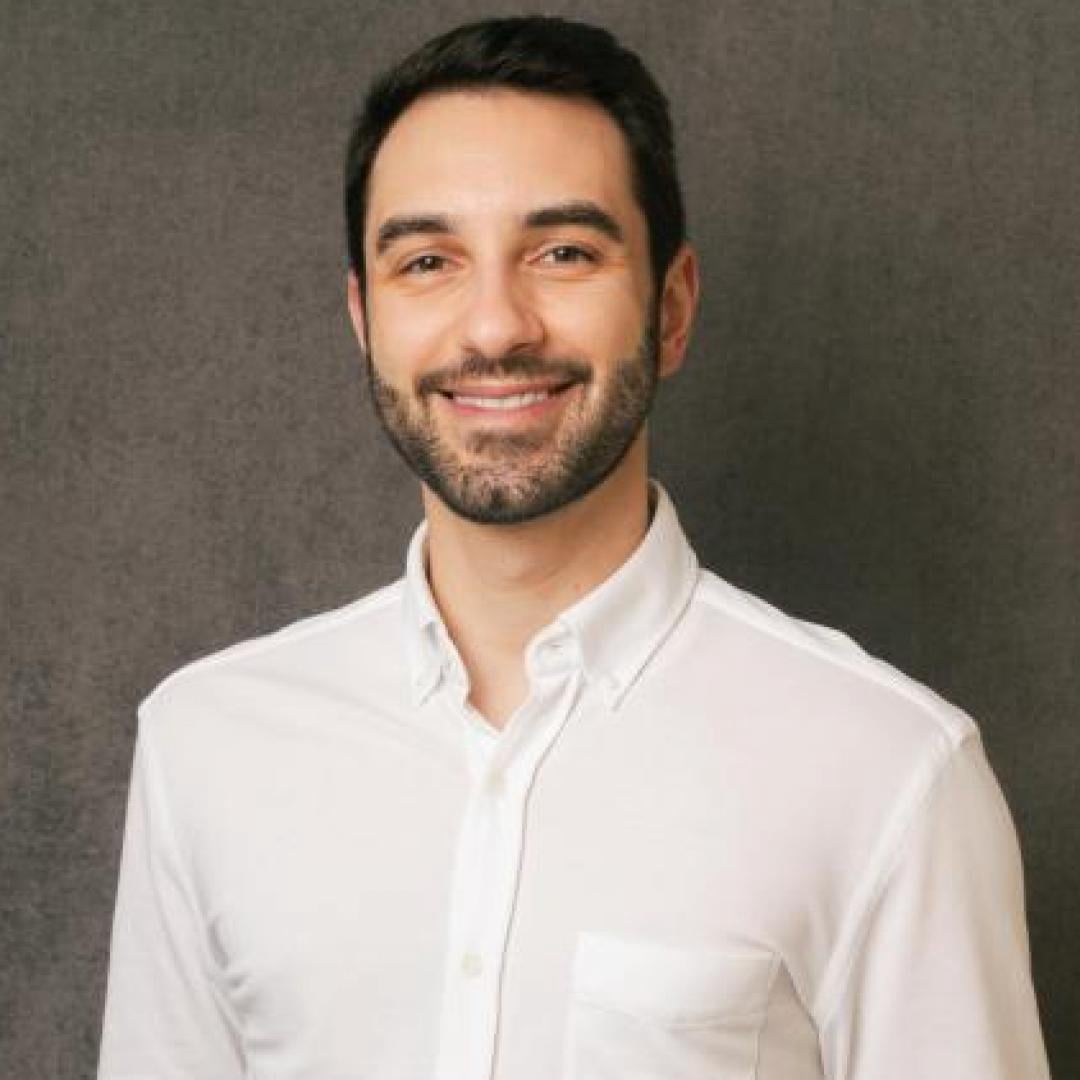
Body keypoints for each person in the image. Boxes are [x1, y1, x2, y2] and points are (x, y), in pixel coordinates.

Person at [97, 16, 1051, 1080]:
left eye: (563, 253)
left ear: (671, 309)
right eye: (428, 261)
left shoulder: (890, 771)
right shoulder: (205, 745)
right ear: (364, 319)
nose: (495, 327)